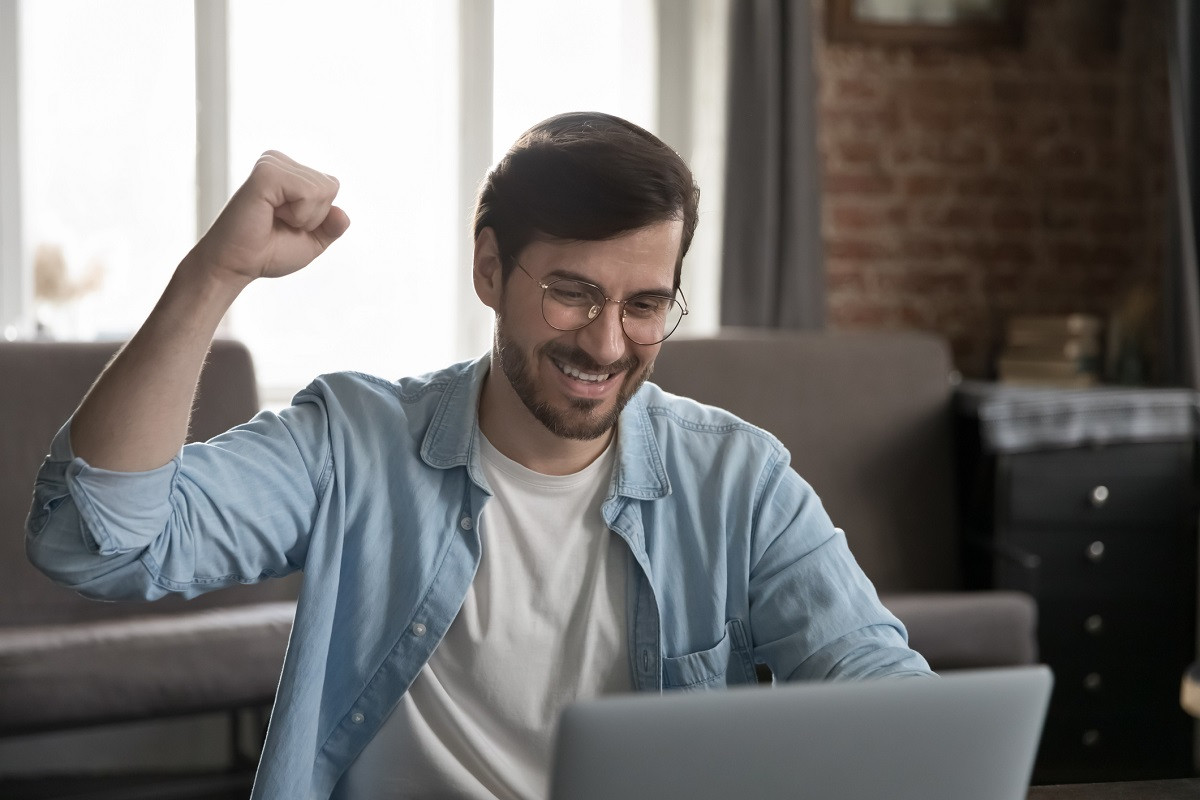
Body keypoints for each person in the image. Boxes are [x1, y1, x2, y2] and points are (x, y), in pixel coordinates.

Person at [26, 112, 932, 800]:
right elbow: (99, 539)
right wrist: (214, 275)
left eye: (645, 305)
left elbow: (880, 687)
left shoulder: (740, 480)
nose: (609, 345)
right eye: (573, 294)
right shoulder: (354, 443)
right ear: (491, 271)